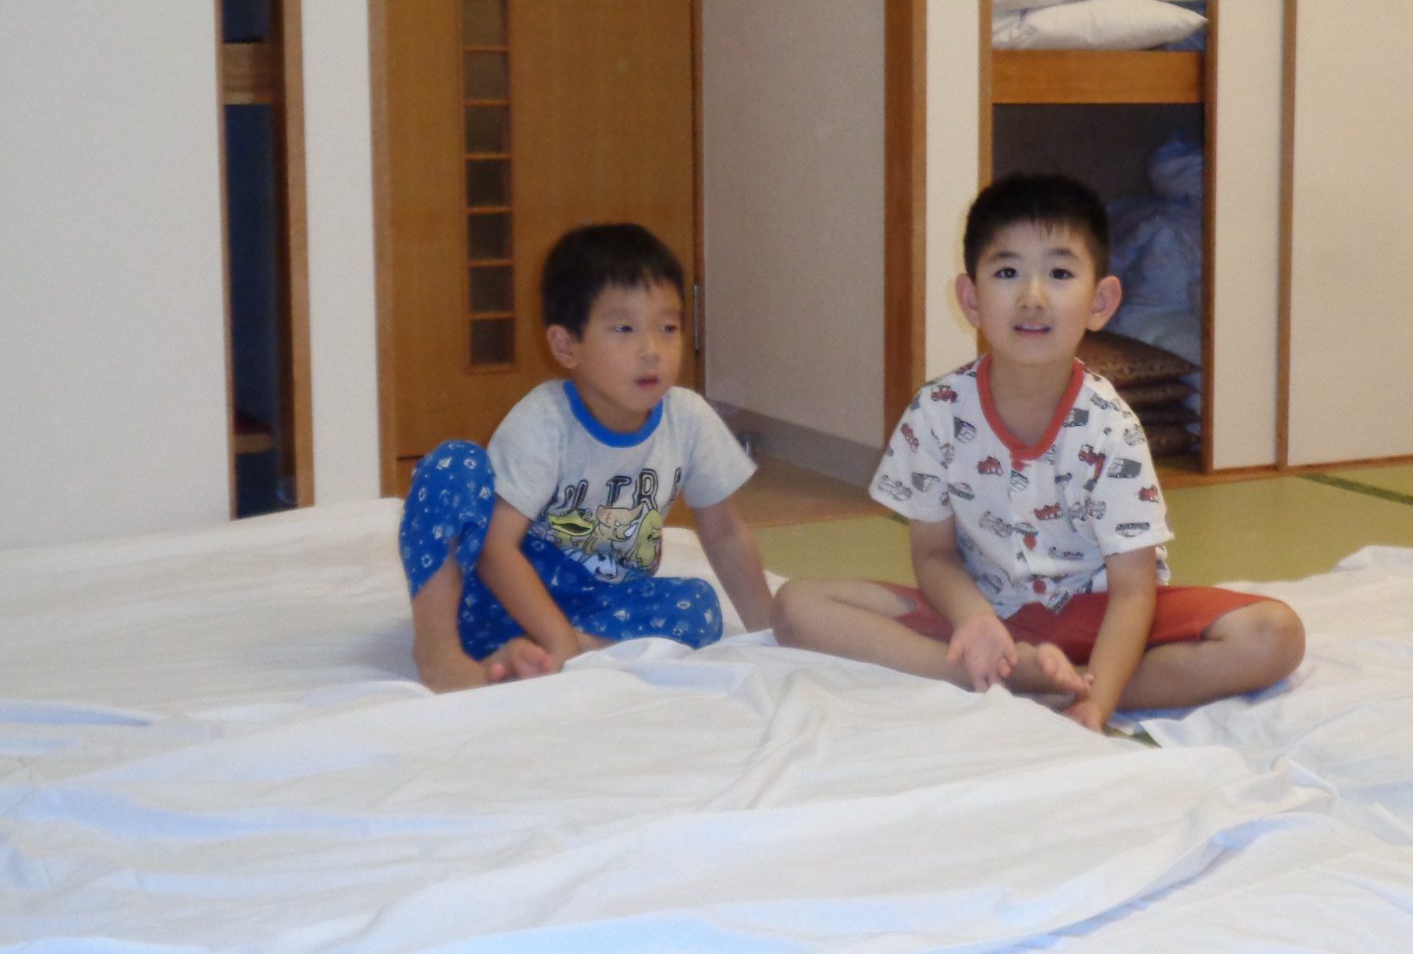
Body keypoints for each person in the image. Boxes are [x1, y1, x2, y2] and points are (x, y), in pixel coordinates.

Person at [772, 174, 1304, 731]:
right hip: (983, 610)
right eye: (1007, 273)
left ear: (1101, 302)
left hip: (1098, 617)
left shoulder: (1111, 426)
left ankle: (1070, 680)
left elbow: (1133, 590)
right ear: (970, 299)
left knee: (1273, 635)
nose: (1032, 297)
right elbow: (933, 554)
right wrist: (975, 621)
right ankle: (996, 673)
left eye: (1059, 274)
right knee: (796, 606)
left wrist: (1097, 702)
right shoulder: (936, 411)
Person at [402, 223, 775, 693]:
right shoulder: (544, 420)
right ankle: (441, 655)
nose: (652, 351)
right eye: (623, 329)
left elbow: (724, 532)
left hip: (599, 603)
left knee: (699, 606)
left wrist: (769, 632)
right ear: (566, 346)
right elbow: (496, 550)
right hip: (500, 600)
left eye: (668, 328)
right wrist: (555, 635)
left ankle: (540, 656)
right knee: (453, 464)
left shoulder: (688, 418)